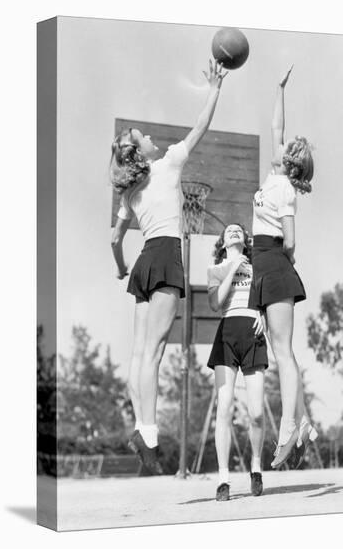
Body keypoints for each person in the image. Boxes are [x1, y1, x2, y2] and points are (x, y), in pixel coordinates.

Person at [110, 60, 228, 474]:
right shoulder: (170, 163)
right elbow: (201, 125)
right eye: (143, 136)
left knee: (139, 353)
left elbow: (113, 238)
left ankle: (142, 428)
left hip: (143, 260)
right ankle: (149, 434)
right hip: (164, 257)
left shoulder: (131, 192)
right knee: (155, 353)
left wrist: (121, 268)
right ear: (139, 151)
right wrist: (215, 88)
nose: (150, 136)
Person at [248, 66, 317, 470]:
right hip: (265, 266)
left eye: (285, 145)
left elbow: (291, 240)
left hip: (274, 262)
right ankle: (304, 420)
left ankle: (290, 425)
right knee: (279, 351)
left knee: (283, 353)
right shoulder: (274, 175)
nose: (279, 142)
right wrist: (279, 88)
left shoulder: (285, 190)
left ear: (288, 162)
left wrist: (283, 265)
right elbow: (277, 124)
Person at [207, 223, 268, 501]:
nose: (233, 231)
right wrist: (232, 267)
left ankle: (255, 466)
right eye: (228, 231)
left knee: (256, 412)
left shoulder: (258, 269)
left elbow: (267, 303)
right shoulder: (215, 269)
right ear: (222, 241)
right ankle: (223, 478)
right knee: (224, 408)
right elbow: (216, 303)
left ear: (245, 240)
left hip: (252, 335)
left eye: (238, 230)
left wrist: (263, 315)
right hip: (227, 336)